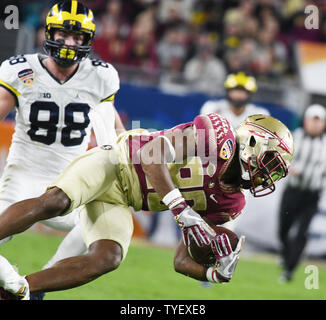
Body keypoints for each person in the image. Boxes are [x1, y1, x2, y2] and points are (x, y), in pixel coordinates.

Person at [0, 113, 294, 299]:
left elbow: (181, 261)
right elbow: (152, 154)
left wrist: (212, 273)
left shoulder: (232, 201)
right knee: (56, 201)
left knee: (109, 257)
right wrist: (182, 210)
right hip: (115, 163)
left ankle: (20, 291)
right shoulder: (219, 136)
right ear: (253, 142)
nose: (269, 176)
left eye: (276, 172)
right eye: (271, 164)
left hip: (124, 200)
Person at [0, 0, 125, 299]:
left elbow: (112, 130)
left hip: (71, 180)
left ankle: (39, 283)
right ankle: (17, 286)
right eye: (64, 34)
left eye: (78, 37)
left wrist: (132, 153)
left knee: (98, 227)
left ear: (88, 40)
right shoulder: (21, 70)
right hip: (23, 176)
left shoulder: (101, 75)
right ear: (50, 34)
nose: (70, 43)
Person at [278, 104, 326, 282]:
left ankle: (290, 268)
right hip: (293, 191)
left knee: (302, 232)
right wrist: (290, 168)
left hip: (312, 194)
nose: (314, 125)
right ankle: (286, 255)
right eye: (312, 120)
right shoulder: (295, 137)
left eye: (318, 121)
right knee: (283, 229)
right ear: (305, 121)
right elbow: (281, 158)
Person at [200, 71, 270, 130]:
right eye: (235, 90)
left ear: (249, 94)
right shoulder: (212, 108)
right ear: (228, 91)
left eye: (243, 91)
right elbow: (203, 137)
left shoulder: (260, 114)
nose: (238, 95)